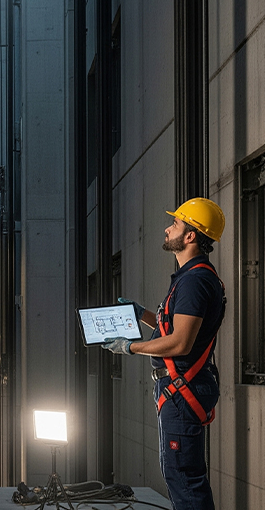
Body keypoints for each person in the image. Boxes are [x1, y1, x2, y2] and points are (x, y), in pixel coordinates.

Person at [102, 198, 226, 510]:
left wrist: (130, 347)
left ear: (190, 236)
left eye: (175, 224)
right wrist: (142, 314)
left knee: (183, 477)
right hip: (182, 387)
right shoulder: (191, 277)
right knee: (181, 475)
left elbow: (181, 343)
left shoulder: (195, 281)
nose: (167, 229)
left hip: (182, 389)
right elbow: (175, 327)